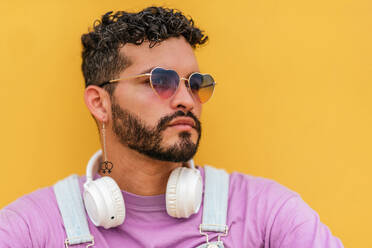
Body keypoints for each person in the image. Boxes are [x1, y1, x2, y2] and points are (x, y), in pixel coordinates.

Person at [0, 6, 344, 248]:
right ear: (99, 103)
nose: (186, 99)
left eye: (195, 82)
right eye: (159, 80)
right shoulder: (32, 228)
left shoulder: (268, 214)